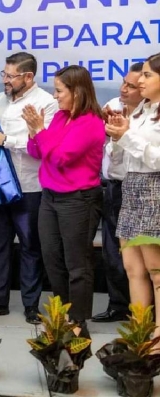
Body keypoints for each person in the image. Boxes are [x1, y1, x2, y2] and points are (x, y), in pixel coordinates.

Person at [23, 65, 104, 329]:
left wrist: (41, 131)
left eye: (59, 91)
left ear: (77, 92)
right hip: (50, 197)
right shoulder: (59, 117)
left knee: (77, 263)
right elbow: (38, 152)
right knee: (52, 258)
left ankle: (79, 320)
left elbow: (59, 158)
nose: (55, 96)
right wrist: (33, 131)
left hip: (78, 200)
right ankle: (63, 312)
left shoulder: (91, 122)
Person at [0, 52, 58, 324]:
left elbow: (42, 146)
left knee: (30, 246)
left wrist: (6, 140)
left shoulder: (47, 103)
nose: (5, 80)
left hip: (30, 187)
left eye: (11, 76)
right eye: (4, 74)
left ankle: (31, 305)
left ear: (28, 76)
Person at [105, 53, 160, 339]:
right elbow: (122, 155)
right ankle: (139, 333)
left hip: (155, 191)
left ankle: (158, 338)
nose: (140, 80)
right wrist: (117, 136)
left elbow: (157, 160)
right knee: (132, 267)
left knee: (157, 272)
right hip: (132, 188)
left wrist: (126, 137)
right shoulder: (139, 112)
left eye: (148, 75)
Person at [92, 63, 144, 323]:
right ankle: (117, 305)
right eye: (124, 82)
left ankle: (145, 313)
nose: (123, 89)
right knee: (111, 250)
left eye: (131, 86)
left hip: (139, 188)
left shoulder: (149, 116)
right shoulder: (112, 104)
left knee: (141, 254)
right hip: (110, 185)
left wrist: (122, 135)